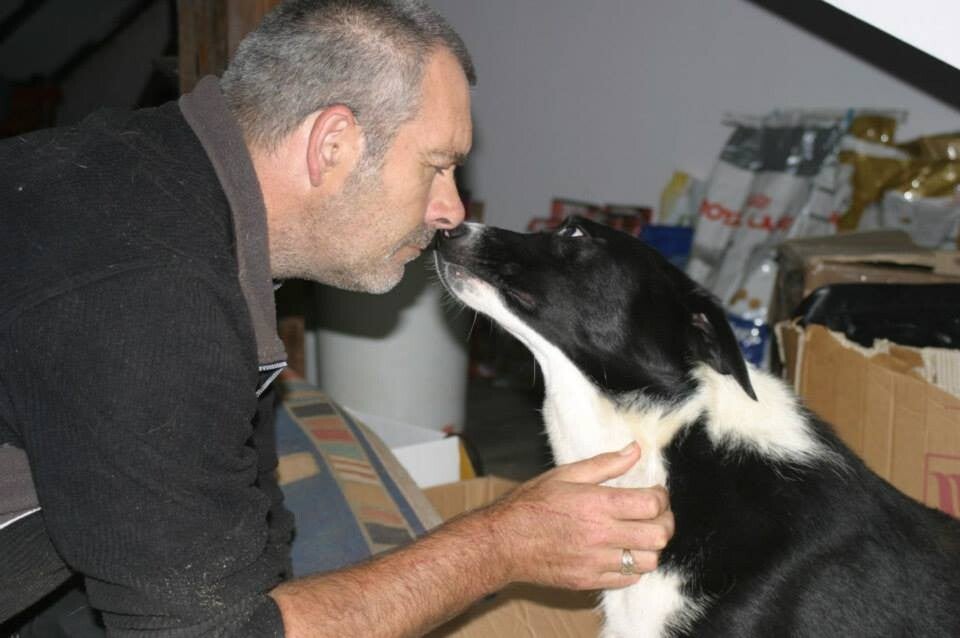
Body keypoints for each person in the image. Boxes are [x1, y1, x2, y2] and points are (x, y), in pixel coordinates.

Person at [0, 0, 674, 636]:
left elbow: (251, 540)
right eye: (437, 166)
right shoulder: (152, 299)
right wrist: (502, 544)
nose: (451, 210)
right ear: (332, 144)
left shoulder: (174, 178)